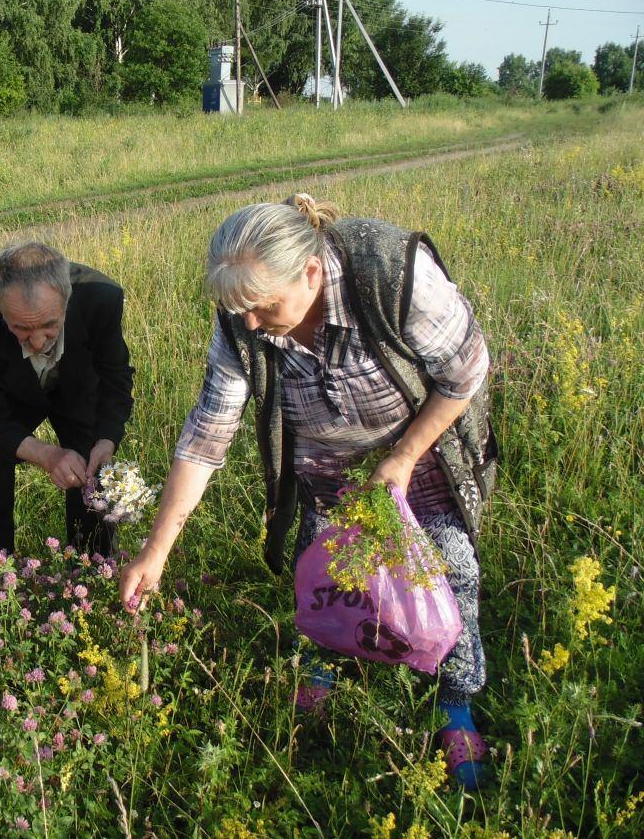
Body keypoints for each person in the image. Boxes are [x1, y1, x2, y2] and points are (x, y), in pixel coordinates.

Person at [118, 195, 497, 790]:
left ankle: (455, 705)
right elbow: (208, 434)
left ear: (312, 273)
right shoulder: (242, 323)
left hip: (420, 454)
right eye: (236, 307)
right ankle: (322, 671)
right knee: (321, 574)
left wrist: (401, 458)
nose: (247, 322)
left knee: (449, 571)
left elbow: (467, 371)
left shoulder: (389, 272)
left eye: (261, 304)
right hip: (327, 470)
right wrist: (156, 551)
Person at [0, 241, 134, 555]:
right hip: (10, 400)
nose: (37, 342)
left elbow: (115, 377)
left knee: (91, 471)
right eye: (21, 328)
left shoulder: (101, 299)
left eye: (50, 325)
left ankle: (93, 566)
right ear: (1, 310)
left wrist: (108, 438)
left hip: (75, 387)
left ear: (67, 301)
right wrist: (49, 455)